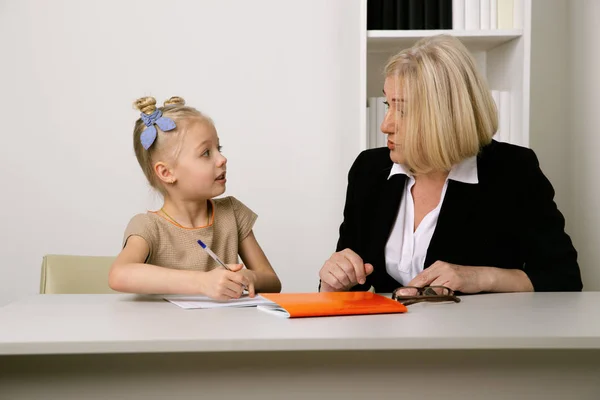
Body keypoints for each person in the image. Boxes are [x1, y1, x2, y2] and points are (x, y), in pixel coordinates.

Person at [319, 35, 582, 294]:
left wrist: (481, 277)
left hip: (477, 335)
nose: (385, 125)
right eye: (388, 104)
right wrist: (334, 283)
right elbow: (351, 283)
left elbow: (564, 278)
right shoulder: (369, 169)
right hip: (386, 336)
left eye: (402, 110)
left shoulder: (513, 170)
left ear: (445, 116)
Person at [109, 96, 281, 300]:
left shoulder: (232, 213)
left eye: (220, 148)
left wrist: (249, 277)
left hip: (227, 329)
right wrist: (202, 282)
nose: (222, 159)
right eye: (206, 153)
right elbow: (118, 275)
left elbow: (272, 281)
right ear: (166, 173)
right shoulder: (148, 226)